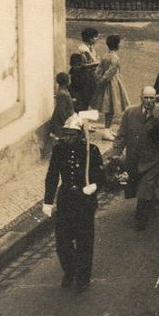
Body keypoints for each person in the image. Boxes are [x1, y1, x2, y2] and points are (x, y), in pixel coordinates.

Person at [43, 115, 105, 292]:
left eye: (72, 135)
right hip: (66, 201)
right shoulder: (59, 150)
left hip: (84, 202)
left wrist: (94, 186)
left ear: (79, 135)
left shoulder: (91, 150)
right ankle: (70, 271)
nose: (68, 138)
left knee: (84, 241)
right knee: (62, 242)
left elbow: (101, 175)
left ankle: (83, 277)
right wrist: (48, 201)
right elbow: (52, 175)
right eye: (66, 134)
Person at [114, 86, 159, 230]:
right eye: (146, 97)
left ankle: (140, 220)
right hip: (134, 158)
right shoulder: (130, 112)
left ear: (156, 98)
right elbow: (122, 135)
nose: (148, 101)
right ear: (141, 97)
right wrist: (116, 152)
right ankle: (152, 200)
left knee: (145, 187)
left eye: (151, 98)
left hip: (153, 159)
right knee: (138, 185)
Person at [92, 35, 129, 136]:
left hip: (105, 83)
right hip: (112, 84)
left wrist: (99, 80)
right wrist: (103, 80)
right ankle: (106, 130)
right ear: (117, 45)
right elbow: (111, 72)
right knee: (110, 108)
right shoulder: (115, 58)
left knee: (108, 107)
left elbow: (98, 70)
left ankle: (108, 128)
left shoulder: (105, 55)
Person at [49, 72, 76, 138]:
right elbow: (61, 111)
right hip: (60, 123)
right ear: (66, 81)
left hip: (65, 119)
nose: (70, 80)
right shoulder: (62, 93)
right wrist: (66, 123)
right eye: (69, 79)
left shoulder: (63, 90)